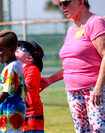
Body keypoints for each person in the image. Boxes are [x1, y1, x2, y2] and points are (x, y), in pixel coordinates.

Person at [41, 0, 105, 132]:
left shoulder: (95, 22)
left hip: (93, 89)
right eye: (60, 4)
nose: (62, 7)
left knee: (98, 129)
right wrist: (50, 80)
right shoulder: (71, 29)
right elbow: (71, 65)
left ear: (80, 1)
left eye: (66, 2)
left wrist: (98, 88)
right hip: (73, 91)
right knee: (81, 130)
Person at [15, 40, 44, 133]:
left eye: (23, 48)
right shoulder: (18, 68)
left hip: (32, 113)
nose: (18, 49)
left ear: (30, 58)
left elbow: (25, 87)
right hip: (20, 110)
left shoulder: (33, 69)